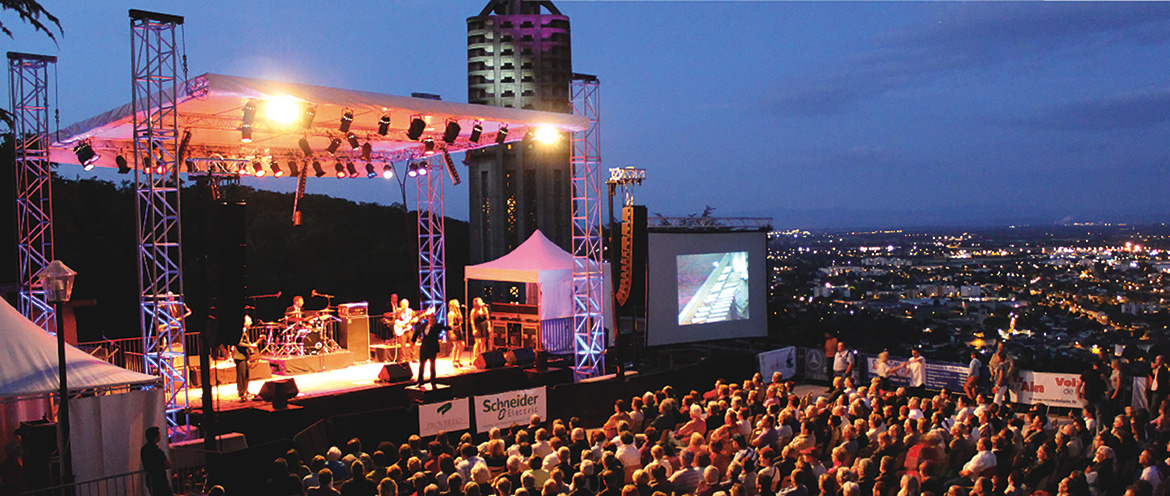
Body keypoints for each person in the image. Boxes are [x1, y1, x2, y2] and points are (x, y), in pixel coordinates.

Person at [413, 309, 447, 389]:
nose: (432, 320)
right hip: (424, 348)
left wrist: (452, 328)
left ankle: (433, 381)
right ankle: (420, 381)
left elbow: (445, 328)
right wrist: (413, 341)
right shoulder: (424, 326)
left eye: (433, 319)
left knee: (432, 365)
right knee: (421, 365)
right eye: (431, 318)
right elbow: (417, 332)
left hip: (432, 348)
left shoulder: (437, 327)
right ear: (428, 319)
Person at [234, 315, 262, 401]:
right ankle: (242, 393)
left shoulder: (244, 331)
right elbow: (238, 343)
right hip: (239, 356)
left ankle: (245, 391)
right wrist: (250, 345)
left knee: (245, 375)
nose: (251, 323)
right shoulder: (241, 331)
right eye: (250, 322)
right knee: (241, 376)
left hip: (243, 356)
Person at [141, 426, 173, 496]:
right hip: (160, 479)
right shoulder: (157, 451)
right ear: (156, 437)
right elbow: (168, 464)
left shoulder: (144, 450)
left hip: (150, 479)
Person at [470, 298, 491, 365]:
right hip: (478, 326)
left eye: (481, 301)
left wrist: (489, 326)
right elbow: (472, 321)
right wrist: (473, 329)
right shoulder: (473, 311)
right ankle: (475, 356)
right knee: (477, 342)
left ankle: (483, 355)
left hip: (484, 326)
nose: (481, 303)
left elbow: (488, 319)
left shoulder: (485, 309)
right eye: (479, 302)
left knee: (483, 342)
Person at [448, 300, 466, 368]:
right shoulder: (451, 313)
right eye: (456, 303)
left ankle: (457, 359)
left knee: (462, 345)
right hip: (454, 330)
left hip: (459, 330)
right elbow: (450, 324)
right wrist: (451, 332)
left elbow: (460, 322)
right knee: (456, 346)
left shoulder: (458, 312)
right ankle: (454, 361)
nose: (458, 303)